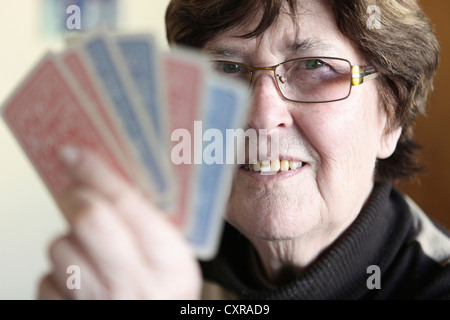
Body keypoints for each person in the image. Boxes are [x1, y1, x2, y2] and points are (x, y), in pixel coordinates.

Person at [38, 0, 450, 300]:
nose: (261, 116)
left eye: (313, 66)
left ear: (390, 118)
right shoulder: (153, 262)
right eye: (227, 70)